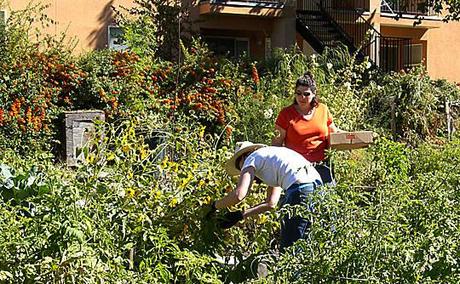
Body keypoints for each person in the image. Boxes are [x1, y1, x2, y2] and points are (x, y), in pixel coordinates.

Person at [207, 141, 322, 250]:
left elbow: (239, 194)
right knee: (308, 242)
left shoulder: (251, 158)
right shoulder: (270, 157)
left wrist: (214, 206)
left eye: (240, 168)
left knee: (290, 248)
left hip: (300, 190)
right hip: (318, 188)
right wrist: (241, 215)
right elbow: (271, 203)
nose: (242, 171)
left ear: (242, 158)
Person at [272, 72, 341, 184]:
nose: (302, 97)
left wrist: (356, 137)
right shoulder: (286, 114)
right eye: (298, 93)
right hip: (296, 168)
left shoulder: (322, 109)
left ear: (314, 94)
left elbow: (334, 133)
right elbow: (276, 143)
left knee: (328, 198)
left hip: (322, 166)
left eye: (306, 94)